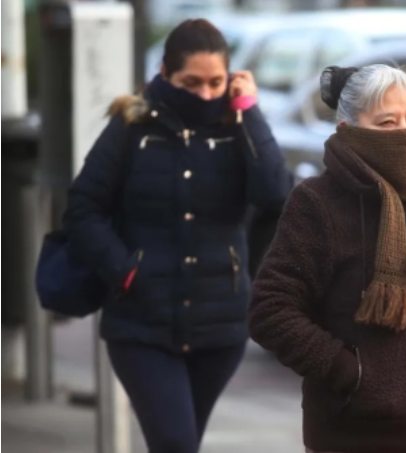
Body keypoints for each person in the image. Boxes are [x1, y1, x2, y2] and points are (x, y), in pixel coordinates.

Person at [247, 64, 406, 453]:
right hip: (356, 439)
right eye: (387, 122)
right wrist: (352, 373)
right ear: (347, 130)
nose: (405, 132)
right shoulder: (318, 203)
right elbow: (271, 310)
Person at [64, 19, 292, 452]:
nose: (205, 94)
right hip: (141, 325)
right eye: (191, 82)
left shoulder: (237, 126)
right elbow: (82, 208)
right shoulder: (133, 126)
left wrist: (250, 110)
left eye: (215, 82)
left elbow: (276, 194)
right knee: (175, 443)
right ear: (166, 72)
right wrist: (124, 270)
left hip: (219, 328)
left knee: (181, 443)